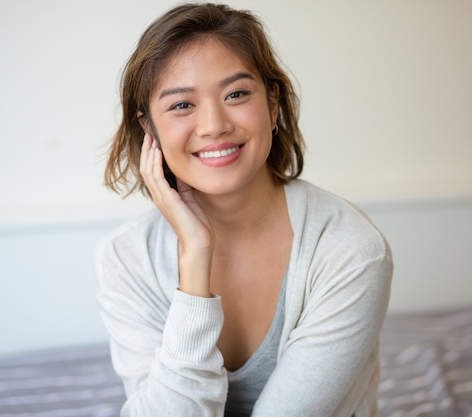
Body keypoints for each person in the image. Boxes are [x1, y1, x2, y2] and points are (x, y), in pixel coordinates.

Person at [97, 3, 393, 416]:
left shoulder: (350, 249)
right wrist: (195, 255)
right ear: (150, 130)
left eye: (236, 94)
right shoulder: (127, 257)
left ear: (273, 104)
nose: (214, 124)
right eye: (182, 105)